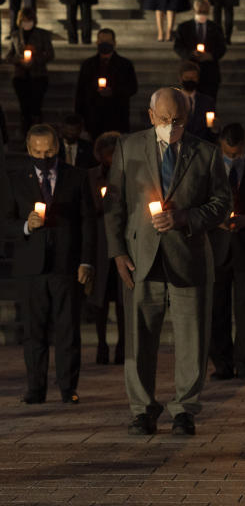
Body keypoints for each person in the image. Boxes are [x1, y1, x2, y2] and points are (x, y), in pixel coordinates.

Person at [104, 87, 232, 437]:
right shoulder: (128, 147)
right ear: (151, 117)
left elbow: (222, 203)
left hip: (187, 257)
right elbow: (113, 204)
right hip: (139, 258)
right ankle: (142, 409)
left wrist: (186, 217)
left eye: (177, 121)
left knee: (192, 338)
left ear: (186, 119)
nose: (170, 126)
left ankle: (184, 409)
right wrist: (117, 252)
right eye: (164, 120)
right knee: (139, 338)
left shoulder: (205, 153)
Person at [3, 124, 95, 405]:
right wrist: (25, 227)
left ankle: (68, 387)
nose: (44, 157)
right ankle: (36, 388)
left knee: (67, 329)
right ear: (29, 150)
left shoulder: (76, 177)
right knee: (34, 330)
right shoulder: (16, 179)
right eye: (38, 152)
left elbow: (88, 222)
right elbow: (4, 223)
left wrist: (86, 261)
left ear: (58, 148)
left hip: (65, 264)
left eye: (50, 151)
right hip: (31, 267)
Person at [208, 123, 245, 381]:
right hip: (218, 246)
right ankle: (222, 363)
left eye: (236, 153)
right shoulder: (211, 169)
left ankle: (244, 362)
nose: (233, 157)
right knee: (218, 307)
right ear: (220, 146)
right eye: (228, 153)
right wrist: (217, 220)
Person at [89, 131, 125, 366]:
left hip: (121, 243)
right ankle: (101, 344)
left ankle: (122, 346)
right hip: (100, 244)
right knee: (99, 300)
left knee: (122, 300)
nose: (110, 158)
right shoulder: (91, 176)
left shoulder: (127, 175)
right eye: (107, 153)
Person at [75, 29, 139, 140]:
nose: (104, 44)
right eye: (101, 41)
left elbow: (132, 88)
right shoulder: (88, 64)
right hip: (93, 117)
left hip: (117, 116)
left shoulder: (125, 64)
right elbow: (80, 92)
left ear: (114, 43)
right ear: (97, 42)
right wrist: (80, 119)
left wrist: (113, 92)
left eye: (108, 41)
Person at [6, 8, 54, 137]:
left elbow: (50, 54)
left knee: (36, 106)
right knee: (24, 107)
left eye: (29, 20)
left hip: (38, 75)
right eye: (24, 21)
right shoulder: (16, 35)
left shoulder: (42, 34)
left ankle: (38, 133)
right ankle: (25, 134)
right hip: (21, 76)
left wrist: (35, 59)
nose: (27, 23)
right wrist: (20, 60)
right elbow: (9, 56)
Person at [173, 0, 227, 101]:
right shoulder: (184, 27)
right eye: (200, 11)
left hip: (210, 74)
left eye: (205, 12)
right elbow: (178, 46)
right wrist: (190, 54)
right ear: (194, 10)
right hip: (189, 73)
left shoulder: (215, 27)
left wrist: (210, 55)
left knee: (208, 105)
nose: (202, 14)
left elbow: (222, 47)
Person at [178, 61, 216, 140]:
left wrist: (215, 128)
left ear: (198, 79)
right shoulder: (173, 99)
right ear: (180, 78)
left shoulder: (207, 102)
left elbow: (211, 131)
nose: (190, 81)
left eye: (193, 78)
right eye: (187, 78)